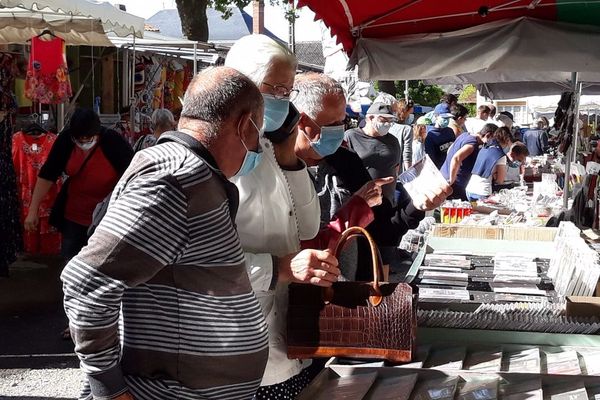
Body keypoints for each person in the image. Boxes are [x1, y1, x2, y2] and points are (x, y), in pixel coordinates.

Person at [61, 67, 271, 400]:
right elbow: (86, 283)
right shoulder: (177, 178)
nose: (259, 147)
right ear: (246, 125)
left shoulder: (190, 174)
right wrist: (110, 389)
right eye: (260, 134)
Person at [225, 35, 336, 398]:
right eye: (274, 88)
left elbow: (306, 226)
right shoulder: (221, 158)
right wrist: (279, 269)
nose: (282, 99)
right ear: (240, 84)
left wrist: (289, 158)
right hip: (234, 341)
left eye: (287, 91)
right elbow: (196, 262)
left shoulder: (269, 148)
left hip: (285, 337)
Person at [298, 74, 451, 279]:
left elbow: (383, 230)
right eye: (331, 123)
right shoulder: (277, 168)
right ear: (301, 121)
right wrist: (357, 207)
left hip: (350, 292)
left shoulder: (346, 161)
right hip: (293, 295)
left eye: (342, 122)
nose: (339, 130)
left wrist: (416, 206)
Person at [24, 108, 133, 260]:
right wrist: (33, 210)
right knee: (71, 263)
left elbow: (133, 176)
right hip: (74, 217)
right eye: (79, 140)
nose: (83, 143)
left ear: (97, 134)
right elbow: (48, 175)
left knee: (102, 266)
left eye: (88, 139)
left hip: (107, 218)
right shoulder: (65, 141)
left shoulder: (113, 142)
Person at [345, 102, 400, 206]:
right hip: (360, 202)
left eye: (390, 120)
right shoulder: (351, 136)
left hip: (387, 203)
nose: (387, 123)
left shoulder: (393, 141)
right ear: (370, 118)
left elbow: (396, 167)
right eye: (383, 119)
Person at [466, 129, 528, 200]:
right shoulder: (500, 155)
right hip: (483, 192)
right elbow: (499, 180)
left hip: (470, 189)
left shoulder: (485, 148)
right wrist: (495, 175)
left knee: (474, 210)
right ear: (507, 140)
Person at [441, 123, 497, 200]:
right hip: (456, 183)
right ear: (488, 135)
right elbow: (456, 158)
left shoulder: (465, 135)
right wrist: (452, 179)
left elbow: (450, 149)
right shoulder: (471, 145)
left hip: (444, 175)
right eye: (493, 139)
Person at [388, 98, 415, 172]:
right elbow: (407, 153)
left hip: (388, 167)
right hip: (399, 170)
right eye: (410, 113)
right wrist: (409, 171)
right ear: (405, 112)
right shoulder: (407, 129)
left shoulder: (389, 125)